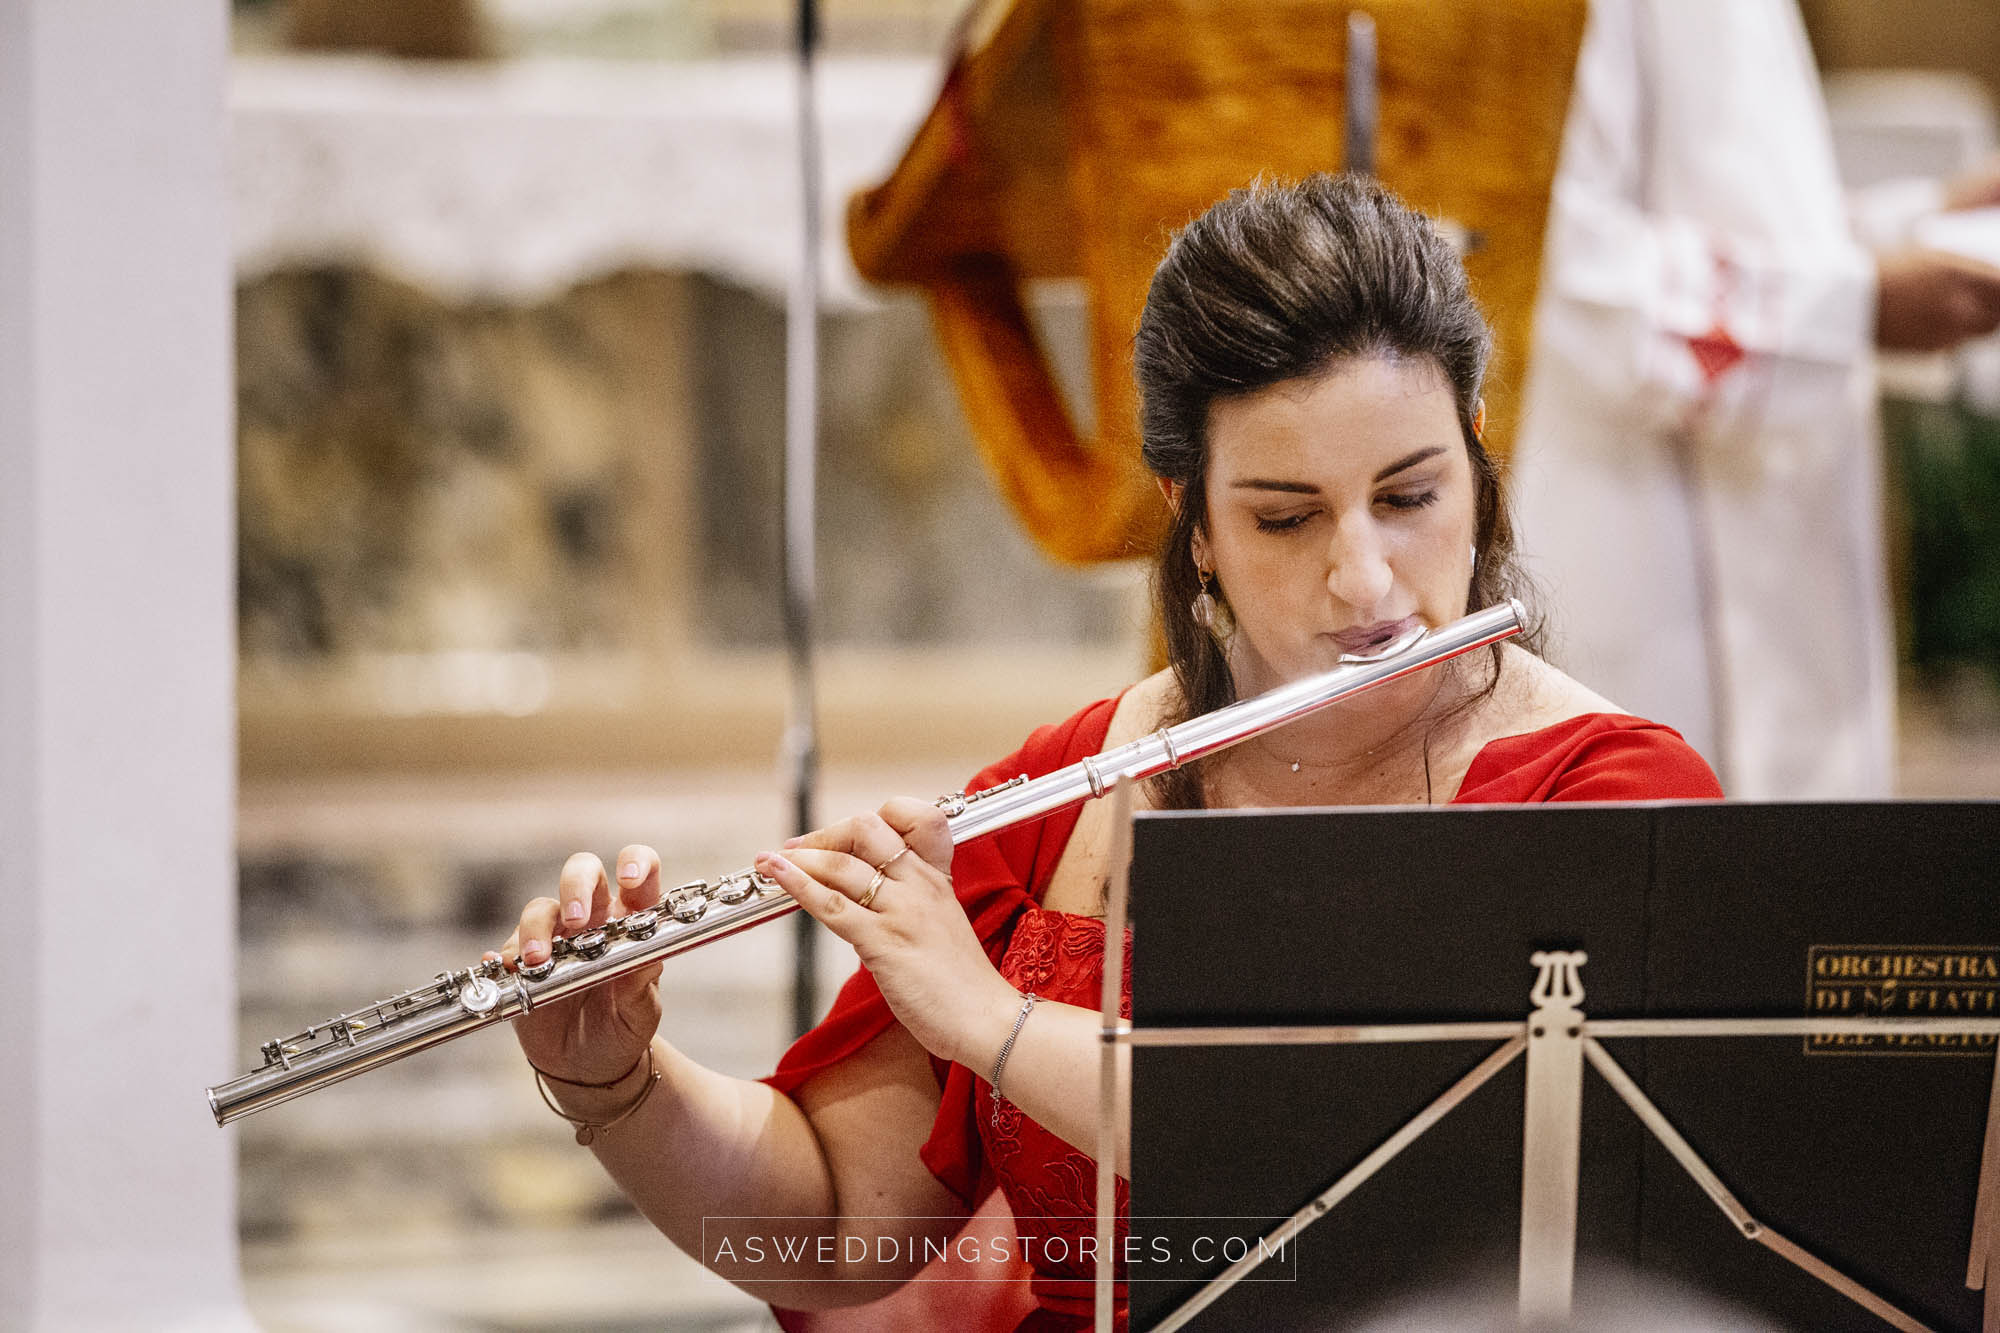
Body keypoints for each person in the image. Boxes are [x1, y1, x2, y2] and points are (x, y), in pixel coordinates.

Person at [489, 174, 1722, 1332]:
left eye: (1408, 496)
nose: (1362, 576)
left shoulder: (1607, 795)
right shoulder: (1074, 778)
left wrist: (994, 1019)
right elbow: (830, 1225)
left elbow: (1386, 1154)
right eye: (1283, 517)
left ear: (1477, 460)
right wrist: (622, 1088)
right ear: (1192, 526)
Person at [1509, 0, 2000, 800]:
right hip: (1636, 521)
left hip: (1779, 539)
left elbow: (1746, 222)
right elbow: (1567, 276)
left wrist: (1924, 227)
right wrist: (1856, 307)